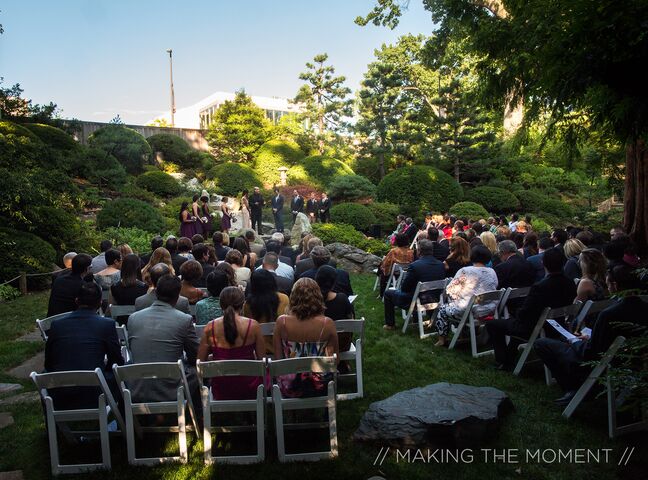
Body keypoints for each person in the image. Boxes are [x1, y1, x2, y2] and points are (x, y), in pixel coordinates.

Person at [534, 265, 648, 406]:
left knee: (542, 344)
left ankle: (573, 388)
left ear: (615, 285)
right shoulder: (643, 307)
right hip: (630, 361)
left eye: (608, 284)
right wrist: (589, 337)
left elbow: (590, 352)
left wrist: (575, 342)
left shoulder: (609, 314)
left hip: (600, 363)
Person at [486, 248, 577, 370]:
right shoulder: (570, 283)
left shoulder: (541, 287)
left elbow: (526, 313)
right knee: (513, 323)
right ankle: (509, 358)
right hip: (557, 325)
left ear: (543, 263)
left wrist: (517, 313)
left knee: (493, 325)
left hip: (536, 327)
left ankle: (502, 361)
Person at [44, 281, 123, 409]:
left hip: (60, 392)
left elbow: (49, 362)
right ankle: (125, 420)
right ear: (99, 303)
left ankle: (53, 425)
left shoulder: (57, 325)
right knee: (122, 374)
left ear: (76, 301)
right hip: (96, 392)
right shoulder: (106, 325)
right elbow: (116, 361)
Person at [128, 274, 200, 403]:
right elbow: (196, 356)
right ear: (178, 296)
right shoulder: (184, 319)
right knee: (198, 370)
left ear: (156, 292)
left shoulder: (133, 318)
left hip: (137, 387)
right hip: (172, 389)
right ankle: (197, 412)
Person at [273, 278, 339, 398]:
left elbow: (278, 359)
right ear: (317, 296)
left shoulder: (281, 321)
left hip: (290, 384)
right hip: (320, 384)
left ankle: (292, 413)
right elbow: (335, 359)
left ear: (293, 297)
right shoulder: (327, 323)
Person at [198, 287, 265, 400]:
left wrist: (214, 358)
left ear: (221, 305)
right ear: (242, 304)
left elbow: (200, 362)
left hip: (220, 388)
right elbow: (262, 360)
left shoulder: (210, 327)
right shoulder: (253, 326)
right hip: (249, 387)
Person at [434, 245, 499, 347]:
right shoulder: (492, 271)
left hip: (468, 311)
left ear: (472, 256)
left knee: (443, 309)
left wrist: (455, 297)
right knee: (460, 302)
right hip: (487, 309)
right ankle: (464, 335)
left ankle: (442, 340)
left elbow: (451, 289)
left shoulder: (465, 271)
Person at [383, 240, 446, 330]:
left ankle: (390, 324)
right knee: (415, 291)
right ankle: (417, 319)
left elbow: (404, 288)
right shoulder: (441, 265)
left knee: (388, 293)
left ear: (419, 251)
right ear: (431, 250)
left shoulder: (415, 266)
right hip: (435, 299)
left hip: (417, 301)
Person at [244, 269, 289, 353]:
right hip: (281, 350)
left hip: (258, 352)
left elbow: (248, 328)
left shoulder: (248, 304)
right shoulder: (284, 299)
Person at [110, 254, 148, 325]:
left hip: (121, 324)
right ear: (138, 267)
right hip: (139, 323)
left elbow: (111, 307)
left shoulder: (114, 287)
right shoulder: (144, 287)